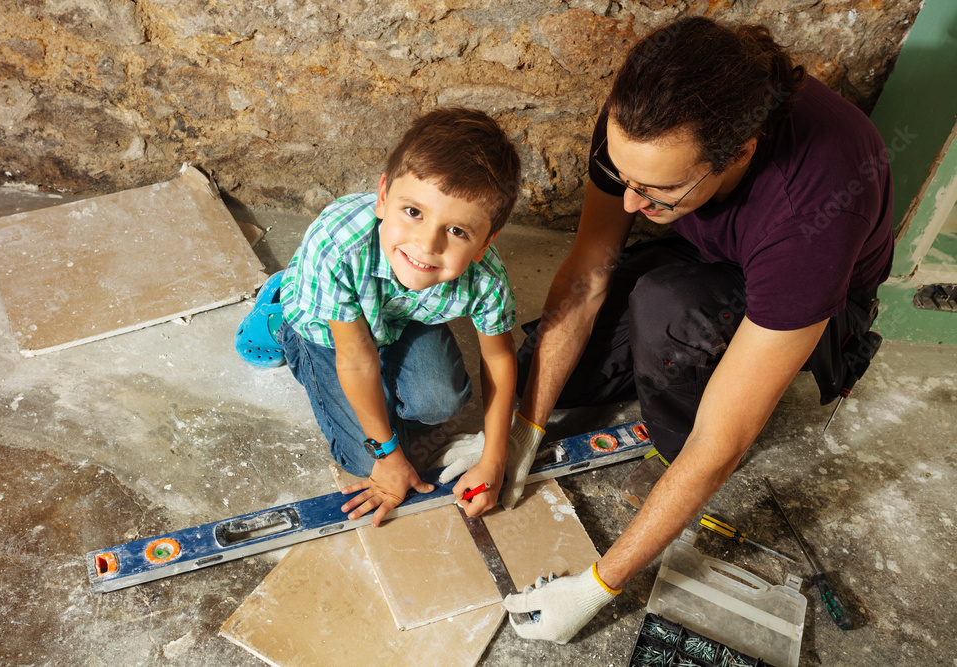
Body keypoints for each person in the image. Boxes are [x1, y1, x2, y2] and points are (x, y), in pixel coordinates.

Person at [501, 16, 893, 643]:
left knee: (667, 315)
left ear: (740, 152)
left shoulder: (809, 211)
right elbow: (584, 277)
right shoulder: (644, 119)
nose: (629, 204)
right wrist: (521, 431)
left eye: (655, 190)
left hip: (814, 307)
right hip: (710, 258)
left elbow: (725, 436)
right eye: (624, 179)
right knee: (539, 375)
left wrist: (598, 586)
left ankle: (667, 445)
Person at [246, 107, 523, 526]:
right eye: (413, 212)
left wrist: (495, 457)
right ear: (382, 196)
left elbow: (500, 359)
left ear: (486, 242)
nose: (427, 244)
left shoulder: (486, 278)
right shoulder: (338, 246)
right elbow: (356, 359)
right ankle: (281, 306)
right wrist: (388, 454)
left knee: (442, 404)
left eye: (458, 231)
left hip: (398, 317)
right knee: (363, 457)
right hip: (328, 327)